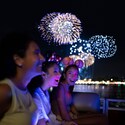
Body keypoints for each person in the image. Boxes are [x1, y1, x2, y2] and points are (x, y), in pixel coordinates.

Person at [0, 31, 45, 125]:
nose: (43, 58)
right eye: (36, 53)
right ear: (18, 60)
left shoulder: (25, 89)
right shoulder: (5, 90)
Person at [28, 61, 77, 125]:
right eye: (55, 71)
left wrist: (64, 123)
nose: (59, 75)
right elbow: (41, 122)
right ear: (44, 75)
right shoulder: (35, 97)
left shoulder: (46, 93)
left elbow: (50, 117)